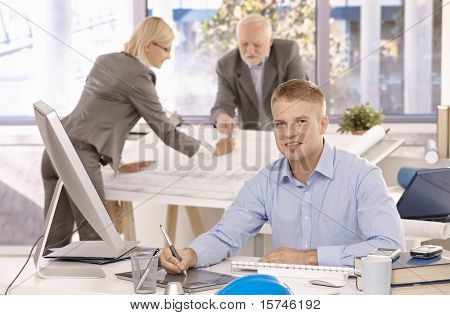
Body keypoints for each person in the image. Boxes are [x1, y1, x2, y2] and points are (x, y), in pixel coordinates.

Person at [161, 79, 406, 272]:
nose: (288, 133)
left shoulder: (362, 176)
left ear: (323, 124)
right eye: (280, 124)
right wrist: (190, 255)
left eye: (300, 121)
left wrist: (310, 257)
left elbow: (391, 247)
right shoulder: (265, 182)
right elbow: (226, 236)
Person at [41, 17, 225, 249]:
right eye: (167, 49)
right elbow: (166, 131)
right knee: (99, 244)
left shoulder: (105, 60)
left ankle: (45, 285)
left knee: (54, 244)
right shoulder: (139, 76)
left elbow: (99, 115)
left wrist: (116, 160)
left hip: (54, 151)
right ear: (149, 45)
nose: (168, 56)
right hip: (79, 159)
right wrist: (209, 150)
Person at [211, 14, 308, 133]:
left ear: (270, 41)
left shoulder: (288, 53)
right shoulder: (226, 65)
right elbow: (222, 105)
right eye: (244, 44)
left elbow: (300, 95)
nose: (250, 51)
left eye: (257, 44)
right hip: (251, 135)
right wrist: (223, 117)